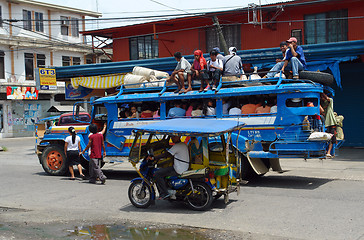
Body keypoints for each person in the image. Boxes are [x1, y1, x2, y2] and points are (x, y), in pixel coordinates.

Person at [320, 93, 337, 158]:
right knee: (326, 137)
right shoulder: (322, 104)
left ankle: (329, 152)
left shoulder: (330, 101)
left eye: (323, 97)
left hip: (331, 121)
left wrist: (323, 93)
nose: (323, 98)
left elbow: (327, 98)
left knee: (332, 137)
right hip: (326, 122)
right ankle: (326, 151)